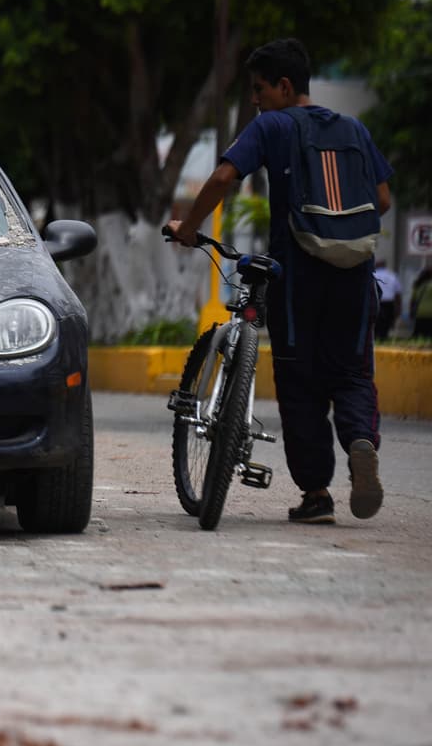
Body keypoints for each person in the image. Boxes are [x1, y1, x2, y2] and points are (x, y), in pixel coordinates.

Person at [166, 38, 392, 525]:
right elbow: (383, 199)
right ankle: (360, 440)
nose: (255, 100)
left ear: (284, 87)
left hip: (297, 277)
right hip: (355, 275)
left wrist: (188, 228)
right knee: (352, 374)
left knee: (300, 383)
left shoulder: (272, 125)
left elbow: (225, 177)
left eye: (259, 89)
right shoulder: (355, 129)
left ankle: (316, 494)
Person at [373, 260, 402, 340]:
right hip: (389, 304)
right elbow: (398, 294)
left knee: (375, 325)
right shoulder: (392, 275)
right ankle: (384, 338)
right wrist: (398, 308)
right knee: (386, 325)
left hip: (376, 302)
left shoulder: (373, 275)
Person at [412, 268, 432, 339]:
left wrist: (411, 312)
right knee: (429, 334)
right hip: (430, 313)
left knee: (419, 334)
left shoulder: (418, 285)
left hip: (419, 312)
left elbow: (412, 300)